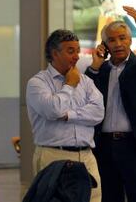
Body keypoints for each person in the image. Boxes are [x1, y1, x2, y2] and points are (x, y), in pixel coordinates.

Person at [85, 6, 136, 202]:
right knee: (109, 197)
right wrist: (95, 65)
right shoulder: (100, 70)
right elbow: (84, 93)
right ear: (105, 44)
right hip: (104, 146)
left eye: (122, 38)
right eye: (112, 40)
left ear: (130, 40)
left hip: (135, 145)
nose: (118, 43)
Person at [26, 29, 104, 202]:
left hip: (87, 156)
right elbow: (53, 110)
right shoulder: (37, 83)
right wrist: (69, 85)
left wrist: (69, 115)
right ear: (55, 53)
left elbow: (98, 113)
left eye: (77, 50)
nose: (76, 56)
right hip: (53, 155)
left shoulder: (86, 82)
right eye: (70, 51)